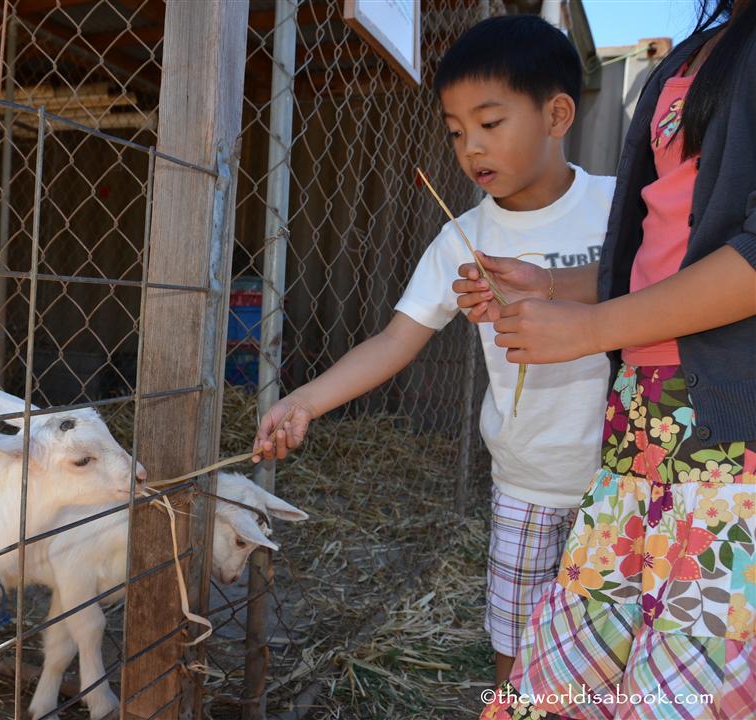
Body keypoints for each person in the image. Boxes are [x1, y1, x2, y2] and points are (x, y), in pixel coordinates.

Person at [250, 15, 614, 686]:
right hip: (527, 483)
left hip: (627, 482)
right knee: (516, 647)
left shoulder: (617, 210)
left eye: (489, 122)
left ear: (557, 114)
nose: (469, 146)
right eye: (454, 131)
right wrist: (304, 400)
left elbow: (665, 292)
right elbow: (395, 339)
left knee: (615, 649)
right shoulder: (462, 238)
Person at [453, 2, 756, 717]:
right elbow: (667, 255)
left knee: (678, 692)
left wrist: (587, 330)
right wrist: (557, 289)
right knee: (549, 685)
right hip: (639, 427)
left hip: (732, 445)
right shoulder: (696, 51)